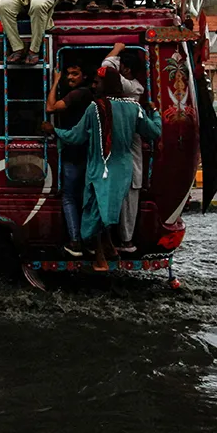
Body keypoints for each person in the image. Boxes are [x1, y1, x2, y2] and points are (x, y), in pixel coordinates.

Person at [44, 66, 161, 271]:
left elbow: (76, 136)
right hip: (124, 169)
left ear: (106, 85)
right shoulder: (134, 108)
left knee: (94, 211)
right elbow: (153, 131)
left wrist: (54, 130)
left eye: (97, 82)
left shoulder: (95, 108)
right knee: (106, 210)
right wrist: (155, 112)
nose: (94, 85)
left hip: (101, 166)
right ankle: (110, 250)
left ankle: (100, 258)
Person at [102, 42, 146, 252]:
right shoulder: (134, 90)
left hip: (124, 155)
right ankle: (123, 241)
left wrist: (117, 49)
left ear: (126, 70)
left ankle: (124, 241)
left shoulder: (130, 87)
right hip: (124, 154)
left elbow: (105, 66)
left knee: (126, 198)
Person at [47, 62, 94, 256]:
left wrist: (55, 81)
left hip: (74, 153)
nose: (70, 77)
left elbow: (51, 107)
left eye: (75, 73)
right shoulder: (88, 95)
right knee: (85, 198)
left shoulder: (79, 94)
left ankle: (75, 240)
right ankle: (89, 241)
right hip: (87, 154)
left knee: (69, 197)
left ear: (84, 76)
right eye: (67, 75)